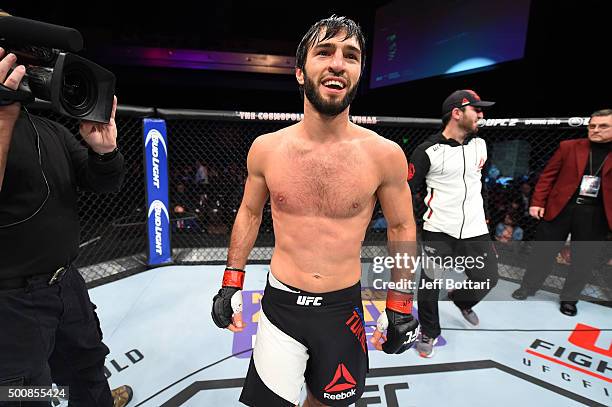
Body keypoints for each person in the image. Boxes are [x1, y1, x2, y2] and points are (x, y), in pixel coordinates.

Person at [211, 16, 419, 407]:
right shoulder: (267, 149)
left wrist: (401, 304)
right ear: (300, 72)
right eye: (324, 52)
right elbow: (250, 213)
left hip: (343, 307)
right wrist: (231, 282)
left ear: (358, 73)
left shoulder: (385, 155)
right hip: (281, 306)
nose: (338, 63)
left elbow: (402, 225)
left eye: (351, 55)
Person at [0, 45, 132, 406]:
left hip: (65, 284)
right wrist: (2, 118)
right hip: (9, 302)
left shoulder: (49, 130)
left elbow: (103, 182)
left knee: (86, 369)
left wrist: (103, 151)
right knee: (23, 393)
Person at [408, 89, 499, 358]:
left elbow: (474, 185)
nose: (482, 115)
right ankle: (429, 331)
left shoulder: (480, 145)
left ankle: (461, 300)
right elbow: (407, 189)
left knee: (488, 278)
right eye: (477, 110)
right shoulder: (427, 151)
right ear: (457, 113)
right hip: (438, 229)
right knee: (430, 282)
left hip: (474, 229)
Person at [512, 109, 612, 316]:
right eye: (592, 126)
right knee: (543, 252)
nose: (595, 130)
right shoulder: (569, 146)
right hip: (560, 207)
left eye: (603, 126)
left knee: (584, 259)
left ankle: (569, 299)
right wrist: (537, 201)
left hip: (596, 213)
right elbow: (547, 176)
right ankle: (528, 287)